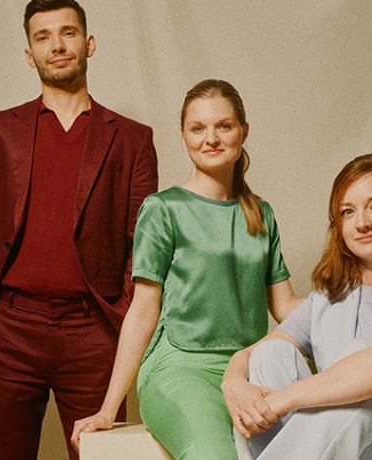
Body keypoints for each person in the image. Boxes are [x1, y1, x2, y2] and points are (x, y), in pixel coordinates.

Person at [0, 1, 158, 458]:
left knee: (101, 455)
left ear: (89, 43)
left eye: (68, 33)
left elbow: (142, 243)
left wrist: (120, 318)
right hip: (9, 331)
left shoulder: (132, 139)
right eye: (43, 37)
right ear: (29, 54)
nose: (56, 45)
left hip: (94, 333)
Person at [71, 79, 300, 459]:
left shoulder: (261, 213)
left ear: (243, 131)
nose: (211, 138)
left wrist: (357, 303)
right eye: (198, 128)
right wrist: (108, 409)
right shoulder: (163, 210)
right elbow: (143, 310)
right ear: (183, 135)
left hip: (248, 371)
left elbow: (286, 307)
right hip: (179, 368)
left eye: (224, 126)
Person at [222, 154, 372, 460]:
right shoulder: (326, 300)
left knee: (360, 356)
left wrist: (282, 401)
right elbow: (248, 356)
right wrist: (233, 382)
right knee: (270, 354)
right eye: (348, 212)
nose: (362, 223)